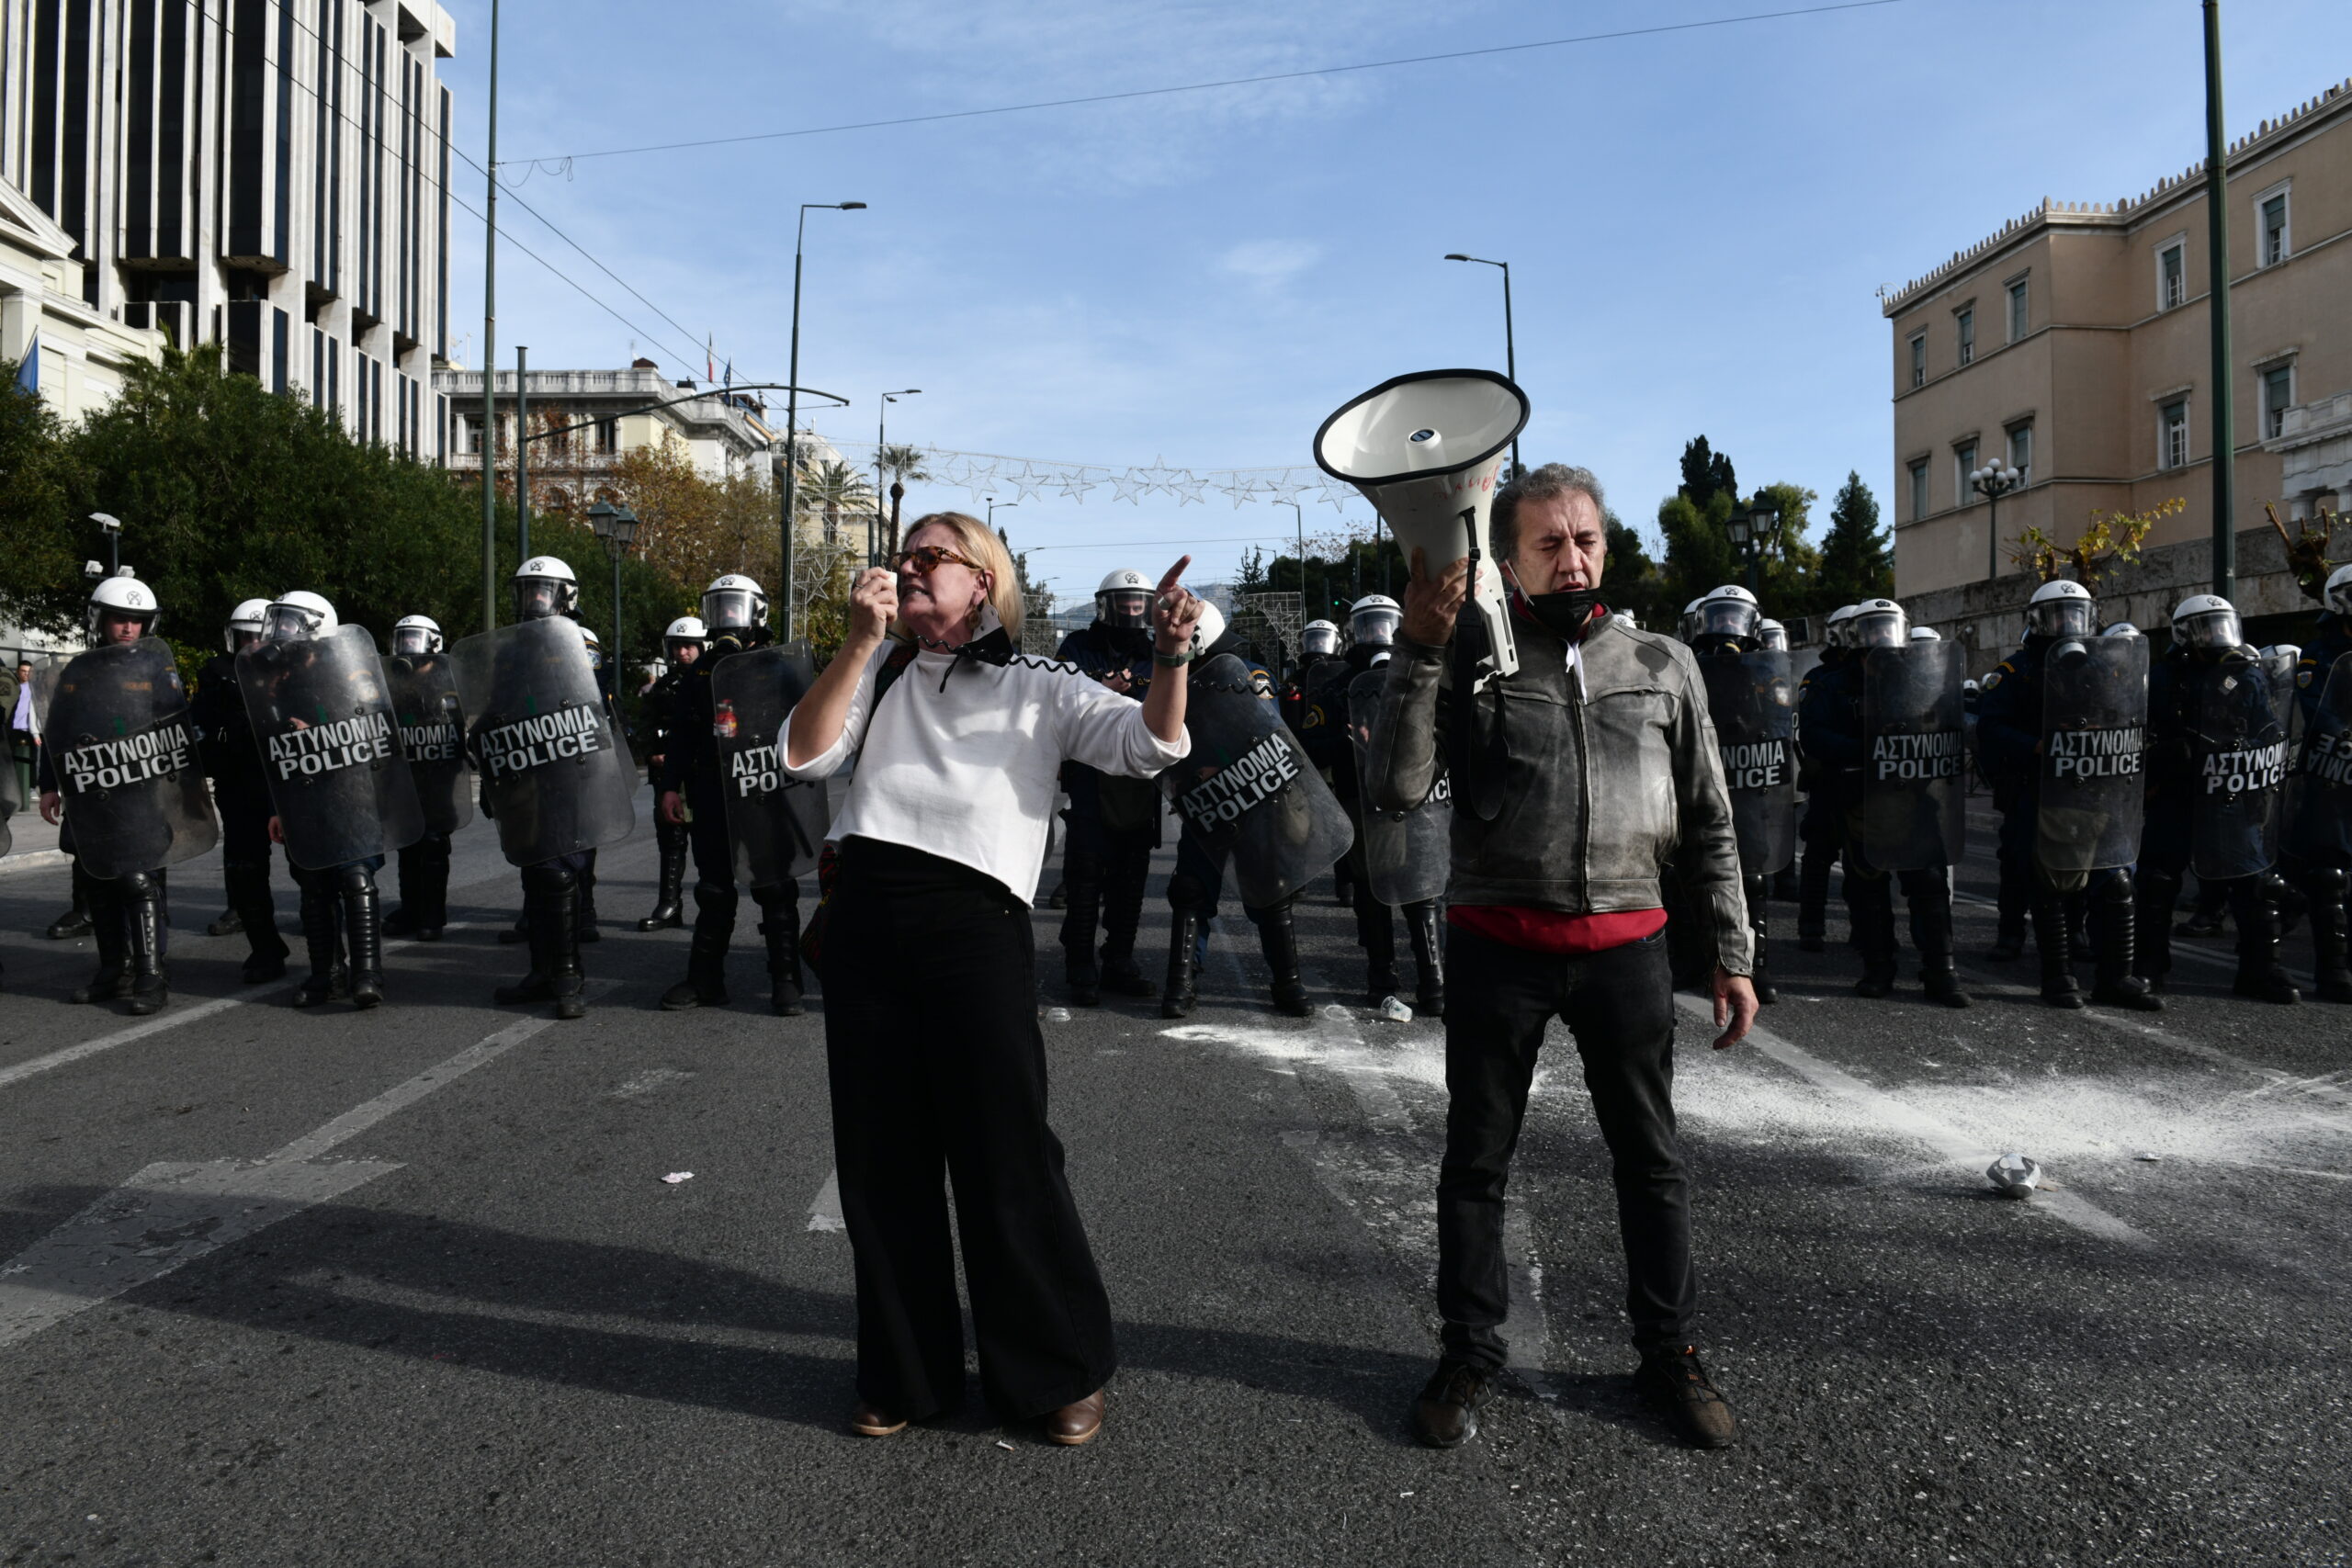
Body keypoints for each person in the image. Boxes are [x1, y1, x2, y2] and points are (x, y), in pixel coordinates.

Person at [783, 513, 1199, 1447]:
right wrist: (858, 641)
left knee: (1006, 1154)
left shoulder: (1040, 682)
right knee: (880, 1160)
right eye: (905, 556)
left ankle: (1055, 1370)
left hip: (975, 922)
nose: (910, 568)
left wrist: (1172, 655)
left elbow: (1147, 747)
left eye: (933, 556)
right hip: (868, 917)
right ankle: (903, 1373)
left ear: (983, 582)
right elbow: (802, 755)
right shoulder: (879, 669)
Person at [1368, 463, 1756, 1453]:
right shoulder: (1468, 658)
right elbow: (1399, 786)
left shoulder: (1665, 662)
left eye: (1585, 538)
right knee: (1476, 1161)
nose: (1571, 556)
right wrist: (1418, 646)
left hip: (1630, 949)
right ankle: (1468, 1348)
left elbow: (1710, 820)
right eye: (1548, 542)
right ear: (1510, 559)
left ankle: (1667, 1351)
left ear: (1606, 548)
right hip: (1499, 946)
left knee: (1652, 1164)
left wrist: (1731, 952)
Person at [1975, 581, 2162, 1011]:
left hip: (2099, 791)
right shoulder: (2016, 672)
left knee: (2115, 880)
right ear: (2038, 620)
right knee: (2050, 882)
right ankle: (2058, 977)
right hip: (2040, 792)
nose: (2067, 624)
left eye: (2075, 613)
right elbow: (1990, 728)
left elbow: (2129, 713)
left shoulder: (2105, 665)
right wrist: (2034, 745)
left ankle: (2117, 978)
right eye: (2057, 615)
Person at [1159, 602, 1324, 1020]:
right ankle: (1181, 984)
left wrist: (1219, 760)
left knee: (1271, 892)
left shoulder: (1251, 674)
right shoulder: (1173, 674)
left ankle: (1288, 985)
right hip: (1205, 799)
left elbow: (1266, 731)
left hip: (1254, 799)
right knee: (1191, 890)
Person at [1806, 598, 1971, 1008]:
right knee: (1867, 886)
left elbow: (1945, 723)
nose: (1878, 638)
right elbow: (1814, 736)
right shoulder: (1830, 684)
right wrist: (1865, 749)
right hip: (1863, 799)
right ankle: (1879, 967)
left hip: (1914, 798)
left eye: (1886, 628)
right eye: (1871, 630)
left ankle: (1941, 970)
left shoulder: (1919, 676)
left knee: (1929, 883)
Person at [656, 575, 808, 1015]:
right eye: (719, 608)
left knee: (776, 887)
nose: (727, 618)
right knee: (713, 890)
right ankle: (705, 981)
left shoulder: (776, 664)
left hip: (763, 790)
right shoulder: (700, 671)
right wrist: (671, 788)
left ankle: (786, 980)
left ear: (756, 612)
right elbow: (683, 734)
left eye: (734, 608)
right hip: (710, 791)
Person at [2138, 594, 2298, 1003]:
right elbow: (2145, 728)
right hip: (2179, 792)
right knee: (2157, 883)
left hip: (2231, 793)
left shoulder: (2247, 674)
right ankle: (2149, 970)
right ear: (2184, 633)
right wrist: (2168, 751)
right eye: (2206, 627)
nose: (2216, 636)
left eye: (2220, 625)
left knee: (2257, 884)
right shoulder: (2163, 675)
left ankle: (2261, 971)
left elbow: (2267, 724)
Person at [38, 575, 182, 1014]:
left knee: (140, 882)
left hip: (142, 794)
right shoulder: (77, 671)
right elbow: (55, 731)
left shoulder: (158, 670)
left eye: (137, 621)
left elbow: (177, 732)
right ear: (100, 620)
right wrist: (47, 785)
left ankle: (150, 977)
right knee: (97, 881)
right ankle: (111, 971)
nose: (128, 628)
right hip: (91, 795)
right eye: (120, 619)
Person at [244, 592, 390, 1008]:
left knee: (356, 878)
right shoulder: (279, 683)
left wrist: (319, 730)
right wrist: (277, 807)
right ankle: (326, 974)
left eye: (291, 622)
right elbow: (271, 751)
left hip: (352, 795)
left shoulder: (351, 674)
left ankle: (368, 975)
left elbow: (377, 735)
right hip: (302, 797)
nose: (282, 632)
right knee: (313, 884)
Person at [1300, 592, 1443, 1011]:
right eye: (1369, 626)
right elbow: (1312, 745)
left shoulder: (1419, 675)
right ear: (1353, 633)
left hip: (1418, 798)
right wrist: (1349, 742)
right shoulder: (1334, 685)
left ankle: (1433, 979)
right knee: (1370, 887)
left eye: (1385, 624)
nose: (1378, 634)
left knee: (1423, 885)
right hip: (1359, 800)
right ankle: (1382, 975)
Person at [487, 557, 599, 1021]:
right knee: (533, 870)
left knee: (559, 872)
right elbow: (496, 705)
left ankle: (569, 975)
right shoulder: (511, 648)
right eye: (529, 589)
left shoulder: (577, 644)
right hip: (521, 770)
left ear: (566, 596)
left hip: (567, 773)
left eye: (544, 589)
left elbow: (592, 704)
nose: (535, 597)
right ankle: (540, 971)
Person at [1052, 569, 1165, 1005]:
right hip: (1088, 777)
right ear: (1106, 604)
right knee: (1085, 874)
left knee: (1131, 875)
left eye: (1139, 604)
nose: (1132, 611)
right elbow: (1055, 697)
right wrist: (1099, 689)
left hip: (1139, 779)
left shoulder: (1157, 651)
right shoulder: (1078, 646)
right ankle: (1079, 965)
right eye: (1125, 603)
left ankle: (1119, 960)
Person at [187, 599, 288, 978]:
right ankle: (266, 948)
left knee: (312, 871)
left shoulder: (291, 668)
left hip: (291, 779)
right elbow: (200, 724)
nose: (253, 643)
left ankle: (329, 957)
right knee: (245, 869)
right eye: (245, 635)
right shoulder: (217, 673)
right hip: (241, 781)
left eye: (260, 635)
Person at [2285, 565, 2352, 1002]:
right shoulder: (2318, 653)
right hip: (2331, 773)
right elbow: (2316, 707)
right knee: (2331, 874)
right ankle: (2334, 971)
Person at [382, 615, 458, 942]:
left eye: (413, 639)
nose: (406, 648)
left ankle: (432, 914)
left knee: (432, 846)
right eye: (402, 640)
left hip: (438, 778)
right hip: (405, 777)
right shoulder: (392, 683)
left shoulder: (448, 682)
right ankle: (410, 908)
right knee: (408, 844)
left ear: (433, 644)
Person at [1792, 605, 1858, 953]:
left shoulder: (1876, 673)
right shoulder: (1818, 678)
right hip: (1829, 780)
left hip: (1866, 784)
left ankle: (1863, 927)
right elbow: (1813, 733)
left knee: (1861, 860)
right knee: (1819, 855)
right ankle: (1811, 927)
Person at [634, 616, 705, 931]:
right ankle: (669, 904)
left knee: (708, 840)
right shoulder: (661, 688)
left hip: (705, 774)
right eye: (677, 646)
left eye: (689, 645)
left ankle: (713, 907)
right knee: (671, 838)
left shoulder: (716, 681)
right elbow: (645, 725)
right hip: (668, 774)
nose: (682, 652)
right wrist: (652, 753)